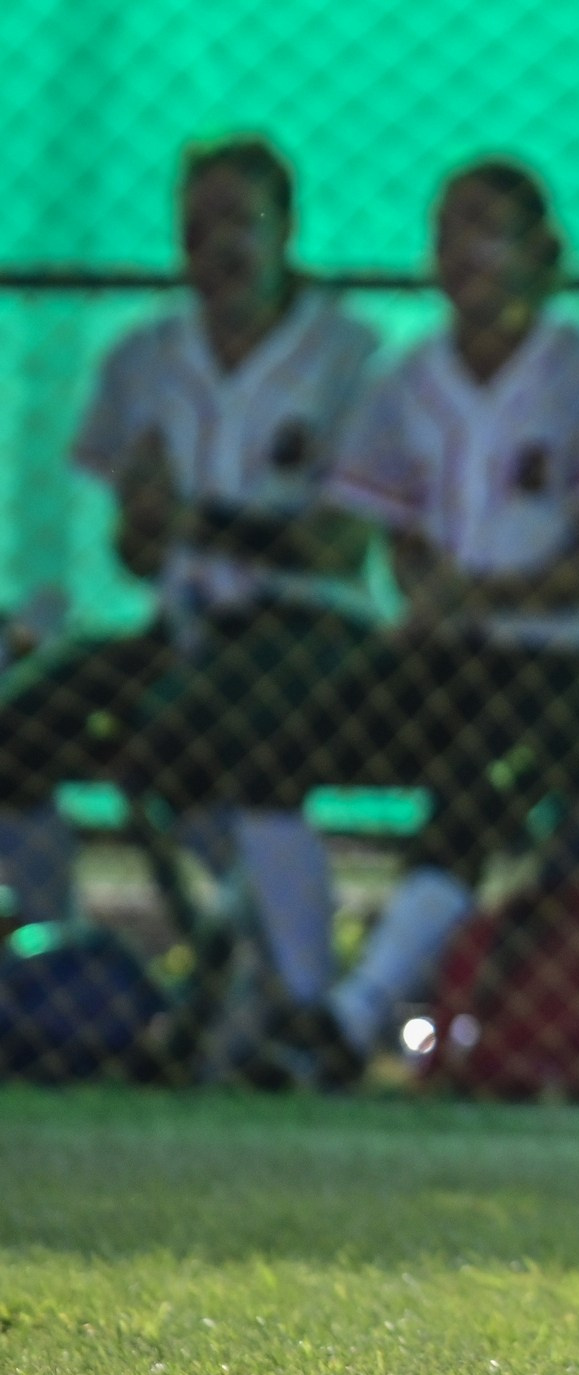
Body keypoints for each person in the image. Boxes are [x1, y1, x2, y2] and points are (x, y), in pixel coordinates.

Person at [258, 159, 579, 1072]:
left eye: (485, 229)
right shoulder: (407, 381)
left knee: (476, 793)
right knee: (266, 760)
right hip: (446, 654)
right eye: (446, 230)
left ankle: (347, 1026)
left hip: (560, 664)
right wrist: (435, 591)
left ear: (540, 254)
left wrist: (489, 597)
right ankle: (302, 999)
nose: (459, 253)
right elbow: (390, 529)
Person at [3, 137, 377, 1037]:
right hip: (185, 622)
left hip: (307, 626)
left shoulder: (348, 354)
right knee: (20, 730)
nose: (217, 248)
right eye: (196, 227)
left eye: (239, 224)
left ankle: (293, 985)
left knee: (195, 729)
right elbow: (139, 549)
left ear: (285, 229)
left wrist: (194, 519)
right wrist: (147, 522)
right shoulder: (147, 357)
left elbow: (337, 547)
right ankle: (55, 950)